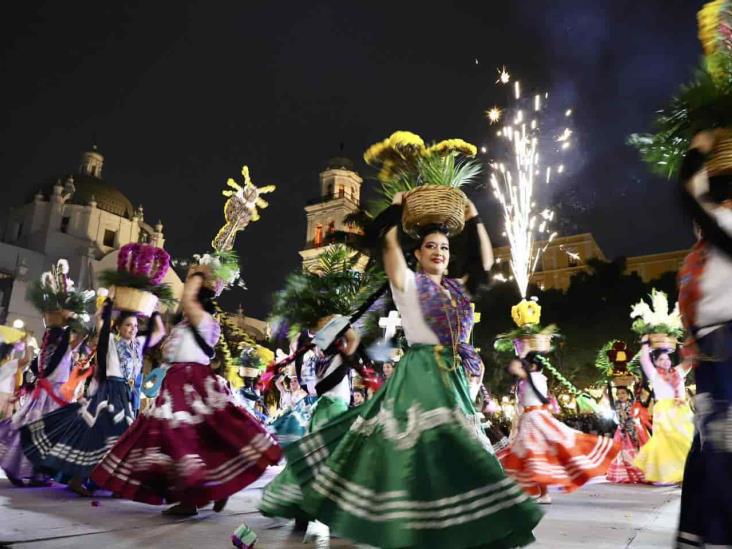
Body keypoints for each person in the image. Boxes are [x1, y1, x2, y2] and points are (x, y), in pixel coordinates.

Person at [279, 196, 542, 548]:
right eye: (430, 246)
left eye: (445, 247)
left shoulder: (457, 288)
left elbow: (485, 263)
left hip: (456, 377)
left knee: (455, 452)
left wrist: (475, 216)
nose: (439, 252)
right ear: (416, 253)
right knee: (425, 451)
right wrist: (396, 208)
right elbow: (386, 240)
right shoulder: (407, 282)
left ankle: (456, 526)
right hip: (422, 373)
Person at [90, 269, 282, 516]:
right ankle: (210, 490)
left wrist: (198, 273)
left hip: (189, 383)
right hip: (179, 382)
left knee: (181, 438)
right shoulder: (188, 323)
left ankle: (193, 499)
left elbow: (188, 299)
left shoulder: (202, 319)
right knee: (192, 439)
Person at [21, 304, 166, 496]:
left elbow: (160, 331)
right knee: (100, 434)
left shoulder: (138, 343)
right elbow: (100, 323)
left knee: (121, 439)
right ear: (118, 327)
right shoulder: (111, 341)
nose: (133, 329)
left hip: (125, 394)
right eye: (128, 326)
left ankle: (106, 482)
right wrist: (106, 308)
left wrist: (155, 311)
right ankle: (81, 479)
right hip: (109, 393)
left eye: (135, 326)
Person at [674, 129, 732, 547]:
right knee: (715, 444)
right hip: (719, 346)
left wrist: (695, 153)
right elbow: (692, 198)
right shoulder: (714, 232)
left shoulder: (721, 228)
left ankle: (706, 531)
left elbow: (689, 196)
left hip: (720, 346)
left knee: (718, 445)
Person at [499, 353, 619, 504]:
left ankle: (541, 493)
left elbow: (518, 370)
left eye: (526, 365)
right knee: (534, 457)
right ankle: (540, 493)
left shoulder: (536, 377)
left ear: (533, 366)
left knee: (536, 454)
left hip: (536, 418)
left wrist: (522, 355)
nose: (521, 368)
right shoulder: (527, 380)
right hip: (530, 418)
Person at [0, 321, 83, 487]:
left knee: (28, 432)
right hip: (53, 399)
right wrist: (73, 320)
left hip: (37, 398)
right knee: (47, 437)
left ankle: (23, 469)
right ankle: (36, 474)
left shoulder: (43, 354)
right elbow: (81, 336)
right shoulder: (64, 351)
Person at [633, 338, 693, 484]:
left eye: (667, 358)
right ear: (656, 362)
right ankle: (666, 475)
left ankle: (686, 471)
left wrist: (683, 346)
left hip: (680, 410)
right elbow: (644, 359)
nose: (665, 361)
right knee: (665, 442)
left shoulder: (678, 371)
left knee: (685, 440)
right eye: (661, 359)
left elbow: (689, 361)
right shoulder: (654, 374)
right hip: (664, 412)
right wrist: (645, 344)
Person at [606, 386, 650, 484]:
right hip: (621, 431)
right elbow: (616, 418)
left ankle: (637, 474)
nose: (620, 395)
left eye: (623, 393)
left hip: (633, 430)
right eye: (618, 394)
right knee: (620, 453)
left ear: (628, 394)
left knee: (634, 453)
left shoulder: (633, 403)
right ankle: (624, 475)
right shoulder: (616, 404)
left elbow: (633, 416)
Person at [0, 339, 34, 420]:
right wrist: (26, 344)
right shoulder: (8, 365)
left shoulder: (5, 366)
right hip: (4, 398)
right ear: (8, 354)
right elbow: (27, 359)